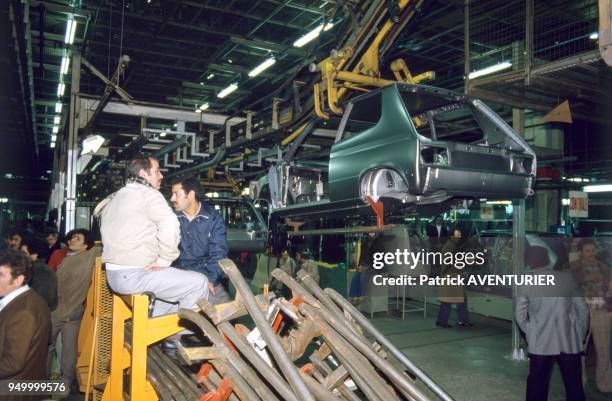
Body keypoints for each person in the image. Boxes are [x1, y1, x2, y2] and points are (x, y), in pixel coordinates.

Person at [96, 154, 209, 318]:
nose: (161, 175)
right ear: (143, 174)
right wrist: (165, 259)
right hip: (135, 275)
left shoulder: (115, 197)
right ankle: (179, 335)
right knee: (199, 283)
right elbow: (170, 225)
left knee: (170, 296)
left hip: (114, 277)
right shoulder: (148, 194)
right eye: (157, 171)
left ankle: (154, 329)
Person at [516, 245, 589, 401]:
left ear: (528, 262)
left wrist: (531, 332)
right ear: (547, 259)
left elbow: (520, 314)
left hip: (540, 342)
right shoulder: (567, 278)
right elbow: (583, 309)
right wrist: (579, 335)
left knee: (537, 384)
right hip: (569, 341)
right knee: (574, 385)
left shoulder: (527, 282)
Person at [50, 229, 99, 390]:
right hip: (75, 311)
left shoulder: (69, 261)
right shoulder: (92, 256)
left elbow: (55, 286)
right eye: (71, 237)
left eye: (77, 238)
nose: (71, 240)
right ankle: (66, 383)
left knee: (47, 345)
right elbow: (98, 248)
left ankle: (42, 381)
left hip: (56, 310)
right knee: (69, 349)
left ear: (86, 245)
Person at [0, 249, 51, 400]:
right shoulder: (30, 299)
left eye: (1, 275)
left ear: (18, 280)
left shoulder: (23, 312)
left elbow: (13, 364)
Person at [170, 177, 230, 305]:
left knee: (226, 309)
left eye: (176, 194)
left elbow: (219, 253)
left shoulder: (213, 218)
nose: (172, 199)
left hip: (205, 274)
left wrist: (211, 280)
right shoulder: (171, 218)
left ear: (191, 195)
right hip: (179, 274)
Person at [570, 239, 612, 393]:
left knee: (604, 349)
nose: (591, 254)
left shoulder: (604, 268)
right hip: (582, 312)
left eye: (593, 250)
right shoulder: (574, 268)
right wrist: (585, 279)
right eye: (587, 251)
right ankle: (578, 382)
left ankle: (606, 384)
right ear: (581, 252)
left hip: (601, 311)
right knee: (579, 349)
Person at [435, 228, 472, 328]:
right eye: (457, 236)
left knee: (456, 300)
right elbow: (453, 262)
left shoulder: (450, 245)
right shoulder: (451, 246)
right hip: (452, 277)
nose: (459, 238)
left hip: (452, 276)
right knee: (449, 300)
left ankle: (462, 320)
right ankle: (444, 321)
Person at [20, 238, 57, 310]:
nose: (20, 255)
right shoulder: (32, 268)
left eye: (24, 253)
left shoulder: (42, 272)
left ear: (35, 255)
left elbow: (39, 299)